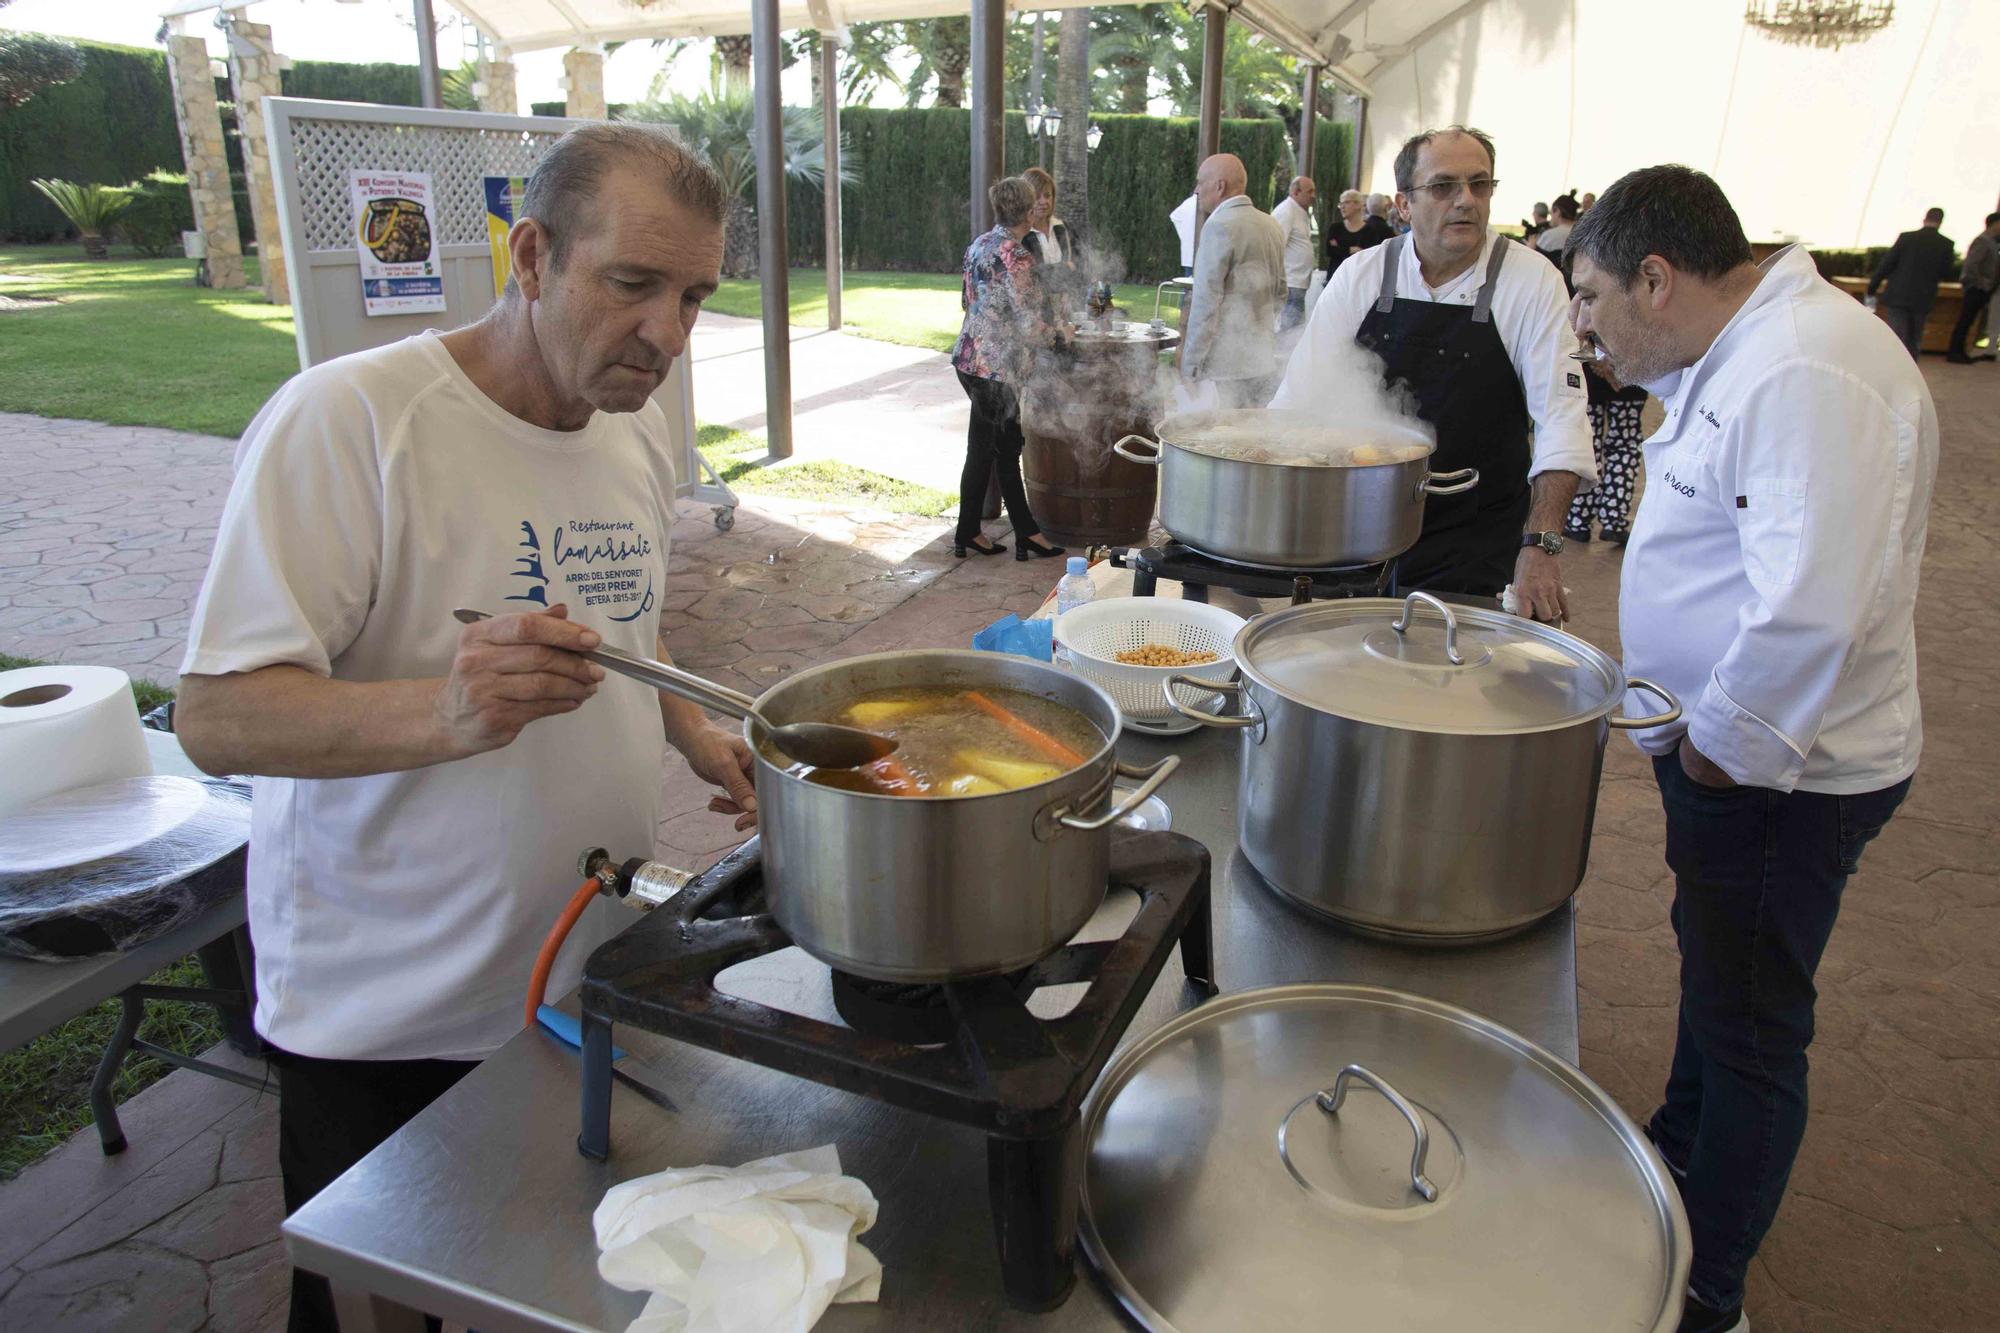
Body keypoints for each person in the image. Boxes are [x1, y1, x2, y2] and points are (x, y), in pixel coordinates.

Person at [171, 122, 762, 1333]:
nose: (667, 334)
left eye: (694, 294)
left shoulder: (631, 430)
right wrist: (448, 709)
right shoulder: (348, 422)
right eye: (634, 284)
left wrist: (695, 736)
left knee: (527, 1282)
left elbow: (625, 626)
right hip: (385, 1010)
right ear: (533, 255)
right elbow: (217, 715)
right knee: (389, 1297)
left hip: (570, 965)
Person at [1569, 165, 1936, 1333]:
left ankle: (1703, 1289)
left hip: (1779, 779)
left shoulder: (1804, 369)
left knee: (1751, 1031)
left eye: (1587, 296)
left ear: (1655, 278)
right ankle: (1678, 1155)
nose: (1581, 323)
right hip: (1731, 765)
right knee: (1717, 974)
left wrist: (1714, 757)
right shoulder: (1749, 350)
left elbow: (1807, 613)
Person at [1272, 125, 1593, 616]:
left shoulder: (1531, 282)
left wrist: (1542, 545)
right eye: (1444, 186)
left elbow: (1562, 420)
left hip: (1478, 537)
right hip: (1355, 532)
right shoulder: (1362, 275)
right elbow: (1299, 399)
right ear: (1403, 205)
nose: (1466, 200)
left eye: (1479, 184)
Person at [950, 175, 1069, 563]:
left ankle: (991, 531)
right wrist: (1060, 334)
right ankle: (1015, 534)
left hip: (970, 360)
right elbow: (1029, 323)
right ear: (1027, 210)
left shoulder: (980, 244)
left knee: (995, 449)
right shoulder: (1016, 256)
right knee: (995, 451)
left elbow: (967, 299)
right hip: (996, 370)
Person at [1180, 153, 1287, 408]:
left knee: (1225, 441)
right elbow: (1281, 291)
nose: (1196, 190)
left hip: (1227, 366)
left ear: (1219, 186)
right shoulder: (1270, 224)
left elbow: (1206, 303)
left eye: (1200, 182)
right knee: (1253, 437)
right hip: (1262, 358)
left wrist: (1191, 365)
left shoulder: (1219, 225)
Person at [1867, 206, 1956, 358]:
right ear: (1941, 222)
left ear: (1924, 218)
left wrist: (1872, 287)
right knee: (1914, 338)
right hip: (1923, 297)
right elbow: (1947, 273)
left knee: (1896, 336)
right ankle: (1911, 371)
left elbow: (1887, 264)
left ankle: (1891, 366)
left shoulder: (1906, 238)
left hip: (1898, 293)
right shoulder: (1946, 244)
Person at [1946, 211, 1999, 363]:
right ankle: (1955, 352)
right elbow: (1972, 266)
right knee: (1965, 320)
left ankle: (1960, 351)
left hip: (1980, 287)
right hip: (1976, 287)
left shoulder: (1991, 241)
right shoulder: (1983, 241)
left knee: (1969, 321)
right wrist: (1984, 284)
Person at [1270, 174, 1319, 330]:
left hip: (1298, 281)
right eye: (1309, 191)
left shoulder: (1299, 211)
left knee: (1295, 327)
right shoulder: (1287, 210)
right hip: (1290, 281)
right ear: (1296, 192)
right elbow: (1275, 245)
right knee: (1291, 329)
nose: (1313, 196)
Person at [1325, 187, 1393, 275]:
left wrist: (1340, 248)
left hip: (1358, 276)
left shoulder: (1370, 231)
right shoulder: (1335, 228)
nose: (1342, 207)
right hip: (1335, 275)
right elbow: (1330, 251)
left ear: (1358, 205)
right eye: (1340, 204)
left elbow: (1368, 257)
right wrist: (1350, 250)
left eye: (1346, 202)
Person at [1536, 193, 1579, 261]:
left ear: (1558, 212)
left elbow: (1536, 260)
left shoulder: (1549, 235)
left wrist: (1531, 247)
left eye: (1551, 212)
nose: (1550, 216)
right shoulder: (1582, 234)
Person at [1169, 192, 1198, 276]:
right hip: (1197, 251)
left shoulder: (1188, 203)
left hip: (1189, 251)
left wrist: (1184, 236)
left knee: (1188, 283)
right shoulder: (1203, 203)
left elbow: (1174, 216)